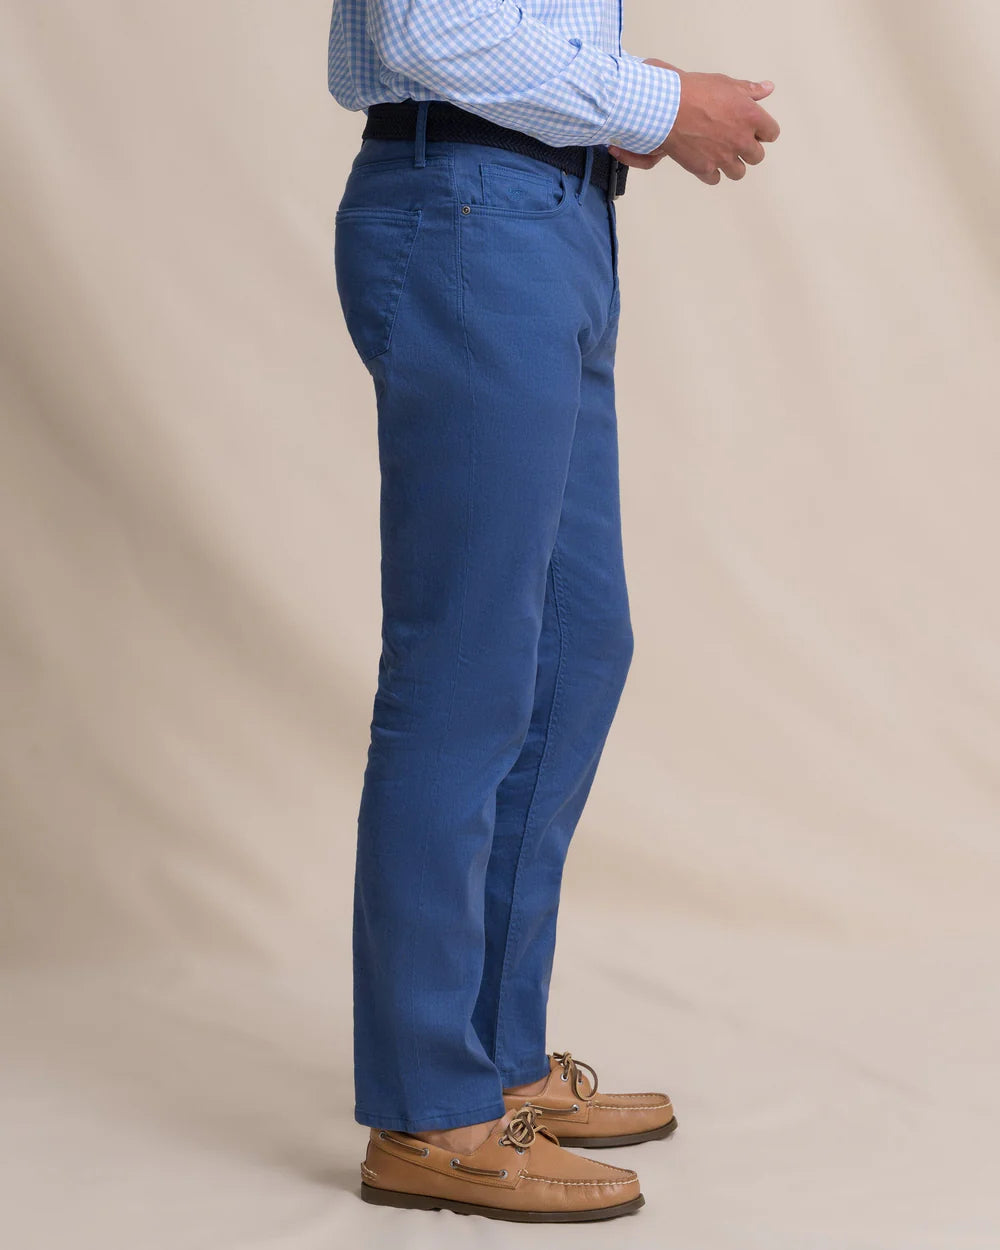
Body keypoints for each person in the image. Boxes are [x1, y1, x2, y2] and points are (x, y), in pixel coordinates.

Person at [327, 0, 779, 1223]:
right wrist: (659, 102)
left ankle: (494, 1063)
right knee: (463, 667)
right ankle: (427, 1113)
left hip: (546, 209)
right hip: (469, 209)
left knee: (576, 648)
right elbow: (430, 32)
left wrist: (604, 98)